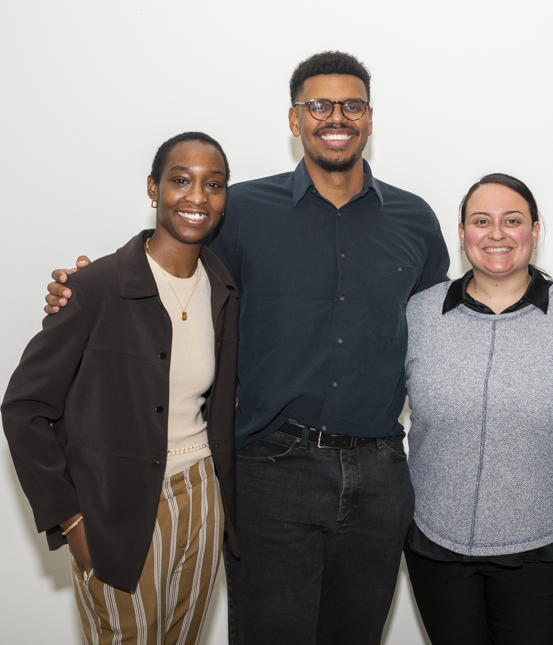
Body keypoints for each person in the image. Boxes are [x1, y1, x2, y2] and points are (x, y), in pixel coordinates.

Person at [42, 52, 450, 644]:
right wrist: (78, 288)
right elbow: (167, 272)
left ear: (369, 118)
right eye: (319, 105)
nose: (336, 116)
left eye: (351, 105)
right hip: (270, 469)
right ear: (294, 120)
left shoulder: (415, 219)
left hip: (381, 473)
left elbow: (443, 322)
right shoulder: (241, 213)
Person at [2, 132, 239, 643]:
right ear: (153, 189)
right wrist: (71, 520)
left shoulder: (224, 288)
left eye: (213, 184)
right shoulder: (95, 289)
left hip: (202, 496)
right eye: (180, 180)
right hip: (119, 508)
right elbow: (24, 409)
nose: (197, 197)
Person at [403, 174, 553, 645]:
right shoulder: (419, 313)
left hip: (549, 548)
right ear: (462, 233)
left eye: (512, 221)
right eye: (481, 221)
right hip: (436, 546)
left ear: (535, 230)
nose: (497, 233)